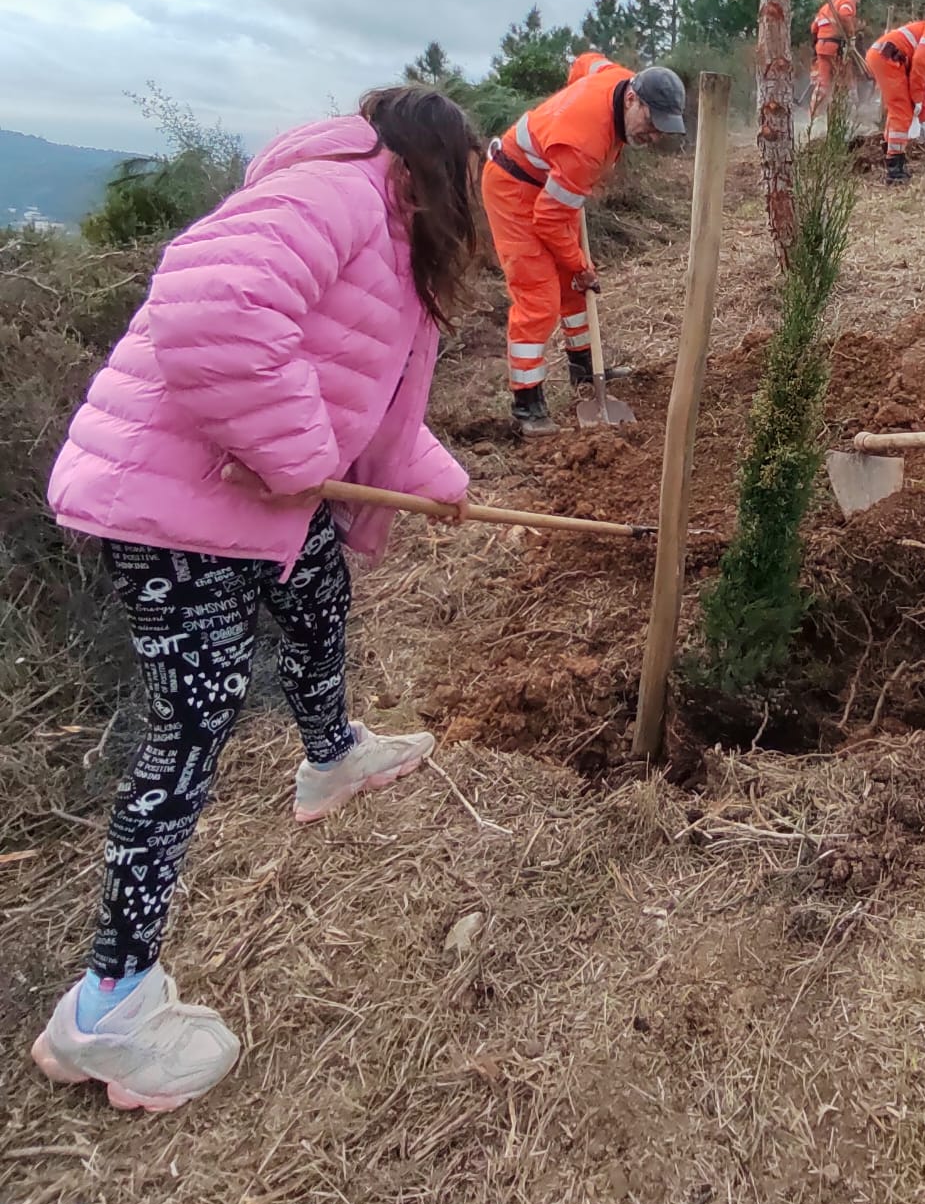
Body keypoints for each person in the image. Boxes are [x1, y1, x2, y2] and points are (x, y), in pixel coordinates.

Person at [33, 88, 483, 1112]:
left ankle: (331, 757)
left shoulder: (392, 237)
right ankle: (109, 1007)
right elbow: (211, 306)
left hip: (242, 487)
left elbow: (376, 417)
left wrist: (448, 490)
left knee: (319, 588)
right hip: (165, 499)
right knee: (194, 720)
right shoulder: (339, 191)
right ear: (431, 164)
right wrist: (296, 458)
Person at [482, 60, 687, 434]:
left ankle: (583, 368)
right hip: (513, 187)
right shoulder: (584, 148)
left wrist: (567, 103)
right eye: (651, 123)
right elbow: (547, 220)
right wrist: (579, 265)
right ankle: (526, 403)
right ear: (632, 99)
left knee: (575, 289)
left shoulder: (616, 77)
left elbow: (583, 62)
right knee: (539, 298)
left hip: (550, 183)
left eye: (662, 129)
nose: (653, 135)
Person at [866, 18, 925, 185]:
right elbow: (920, 64)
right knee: (902, 112)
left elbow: (920, 80)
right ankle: (894, 170)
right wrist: (918, 100)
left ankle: (892, 155)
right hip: (888, 59)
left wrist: (924, 117)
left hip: (887, 58)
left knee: (898, 110)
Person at [808, 0, 864, 124]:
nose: (858, 0)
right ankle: (851, 114)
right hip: (836, 47)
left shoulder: (827, 6)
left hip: (822, 47)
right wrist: (851, 36)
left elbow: (814, 27)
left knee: (823, 83)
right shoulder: (846, 2)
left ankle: (813, 115)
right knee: (846, 80)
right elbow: (845, 16)